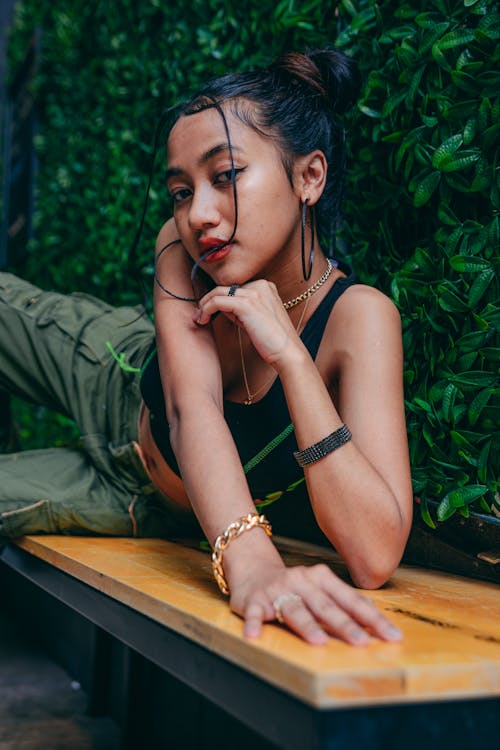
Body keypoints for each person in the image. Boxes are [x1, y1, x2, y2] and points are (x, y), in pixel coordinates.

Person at [0, 48, 413, 646]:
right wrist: (253, 561)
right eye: (179, 190)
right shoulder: (183, 250)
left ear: (309, 177)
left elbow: (375, 554)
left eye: (225, 176)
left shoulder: (360, 320)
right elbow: (191, 409)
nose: (198, 213)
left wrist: (292, 361)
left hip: (144, 500)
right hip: (109, 369)